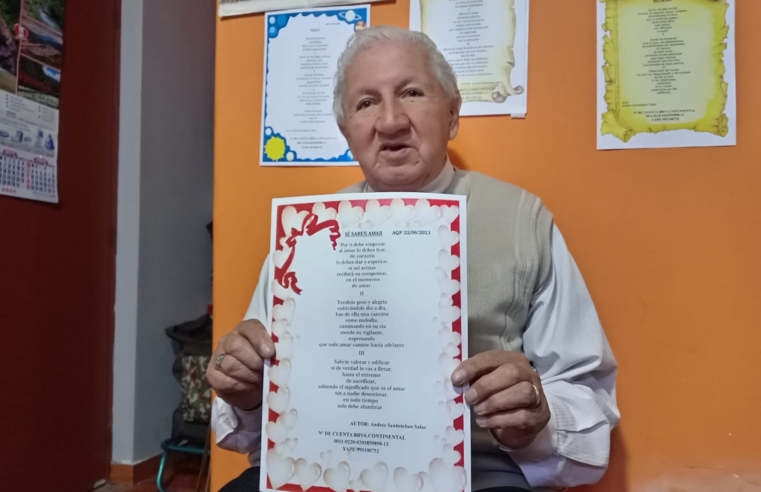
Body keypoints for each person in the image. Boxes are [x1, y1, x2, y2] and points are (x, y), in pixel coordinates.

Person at [208, 25, 619, 492]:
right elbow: (248, 426)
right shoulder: (306, 232)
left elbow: (587, 394)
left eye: (411, 93)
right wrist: (245, 392)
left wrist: (537, 417)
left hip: (479, 476)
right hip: (319, 472)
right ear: (346, 132)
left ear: (453, 113)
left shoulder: (522, 221)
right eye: (366, 102)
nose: (390, 121)